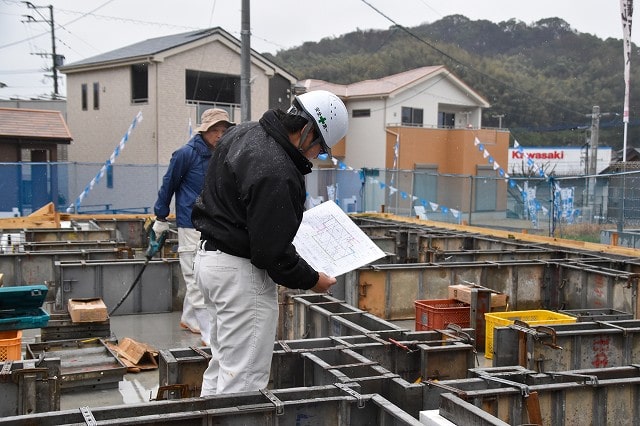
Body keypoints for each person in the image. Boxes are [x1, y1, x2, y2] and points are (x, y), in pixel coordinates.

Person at [191, 90, 348, 396]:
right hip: (240, 276)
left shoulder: (243, 133)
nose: (317, 155)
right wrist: (313, 279)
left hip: (210, 262)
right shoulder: (278, 169)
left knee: (223, 365)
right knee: (244, 384)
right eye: (321, 148)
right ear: (307, 131)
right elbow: (271, 253)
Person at [152, 108, 234, 346]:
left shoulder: (222, 155)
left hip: (214, 223)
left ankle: (189, 317)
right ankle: (208, 331)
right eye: (214, 130)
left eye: (223, 130)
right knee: (195, 276)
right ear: (204, 130)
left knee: (202, 273)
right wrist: (161, 217)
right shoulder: (185, 154)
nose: (219, 135)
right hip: (190, 223)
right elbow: (168, 185)